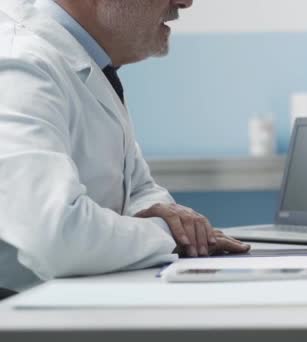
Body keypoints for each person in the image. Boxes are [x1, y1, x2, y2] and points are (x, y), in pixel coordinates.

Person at [0, 0, 251, 296]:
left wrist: (162, 216)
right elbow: (53, 234)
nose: (185, 2)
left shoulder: (89, 65)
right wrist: (169, 233)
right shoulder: (20, 64)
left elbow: (138, 189)